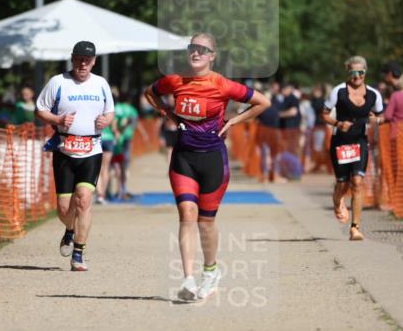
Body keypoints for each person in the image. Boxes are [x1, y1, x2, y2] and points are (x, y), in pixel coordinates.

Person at [145, 33, 270, 301]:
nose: (197, 52)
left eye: (203, 49)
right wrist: (165, 112)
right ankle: (189, 279)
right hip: (183, 159)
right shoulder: (175, 81)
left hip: (213, 159)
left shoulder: (223, 85)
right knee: (187, 214)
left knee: (206, 222)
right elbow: (151, 93)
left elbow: (263, 102)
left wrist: (234, 121)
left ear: (212, 55)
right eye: (193, 47)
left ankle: (211, 271)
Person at [34, 40, 115, 272]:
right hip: (64, 150)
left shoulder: (101, 84)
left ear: (94, 62)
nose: (83, 63)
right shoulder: (58, 82)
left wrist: (105, 121)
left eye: (87, 60)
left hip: (92, 149)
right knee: (63, 208)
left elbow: (110, 112)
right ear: (72, 58)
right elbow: (40, 110)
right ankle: (69, 230)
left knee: (84, 200)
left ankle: (78, 253)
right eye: (79, 58)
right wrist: (58, 120)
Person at [322, 55, 384, 241]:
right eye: (353, 73)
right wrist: (338, 123)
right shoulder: (338, 91)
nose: (356, 77)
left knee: (357, 182)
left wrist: (377, 120)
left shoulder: (373, 94)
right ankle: (337, 201)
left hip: (360, 142)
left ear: (366, 72)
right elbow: (324, 115)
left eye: (360, 72)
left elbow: (381, 116)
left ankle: (355, 227)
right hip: (340, 141)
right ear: (348, 72)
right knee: (343, 183)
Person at [255, 83, 282, 182]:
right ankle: (267, 174)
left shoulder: (275, 102)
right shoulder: (262, 103)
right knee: (266, 154)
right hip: (266, 131)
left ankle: (272, 174)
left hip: (273, 131)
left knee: (272, 154)